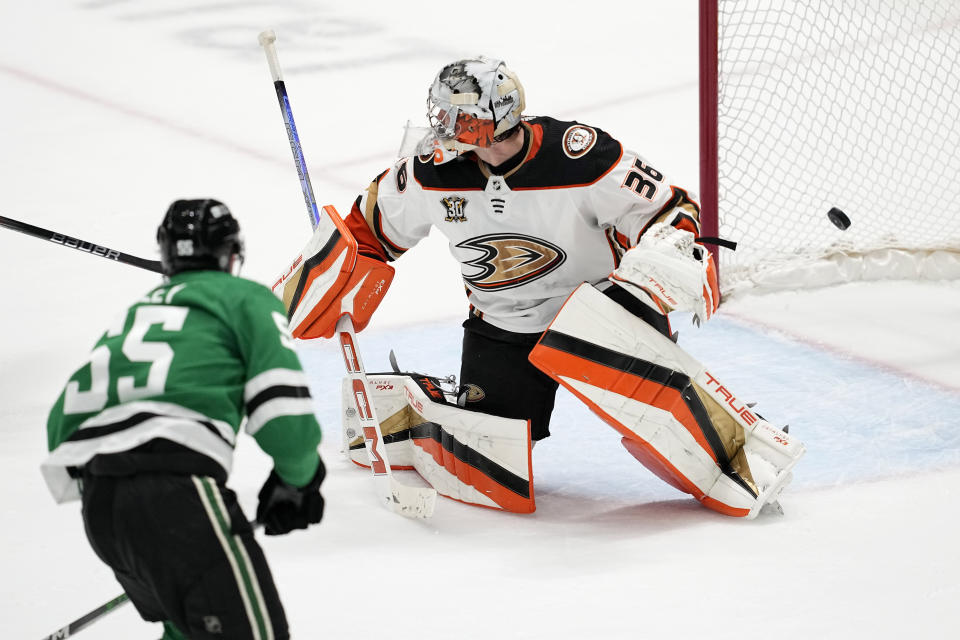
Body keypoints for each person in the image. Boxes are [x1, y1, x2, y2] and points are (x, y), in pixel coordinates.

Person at [341, 56, 804, 518]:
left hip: (601, 314)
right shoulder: (430, 172)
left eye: (458, 117)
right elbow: (368, 229)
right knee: (489, 472)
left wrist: (667, 254)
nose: (442, 127)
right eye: (441, 114)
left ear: (494, 118)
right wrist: (335, 270)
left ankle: (737, 446)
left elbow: (670, 210)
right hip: (502, 323)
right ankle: (414, 408)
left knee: (675, 443)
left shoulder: (580, 155)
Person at [41, 199, 325, 639]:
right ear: (232, 253)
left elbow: (61, 423)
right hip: (175, 496)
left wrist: (126, 503)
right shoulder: (245, 297)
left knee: (187, 630)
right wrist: (299, 479)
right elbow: (282, 412)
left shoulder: (139, 315)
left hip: (101, 506)